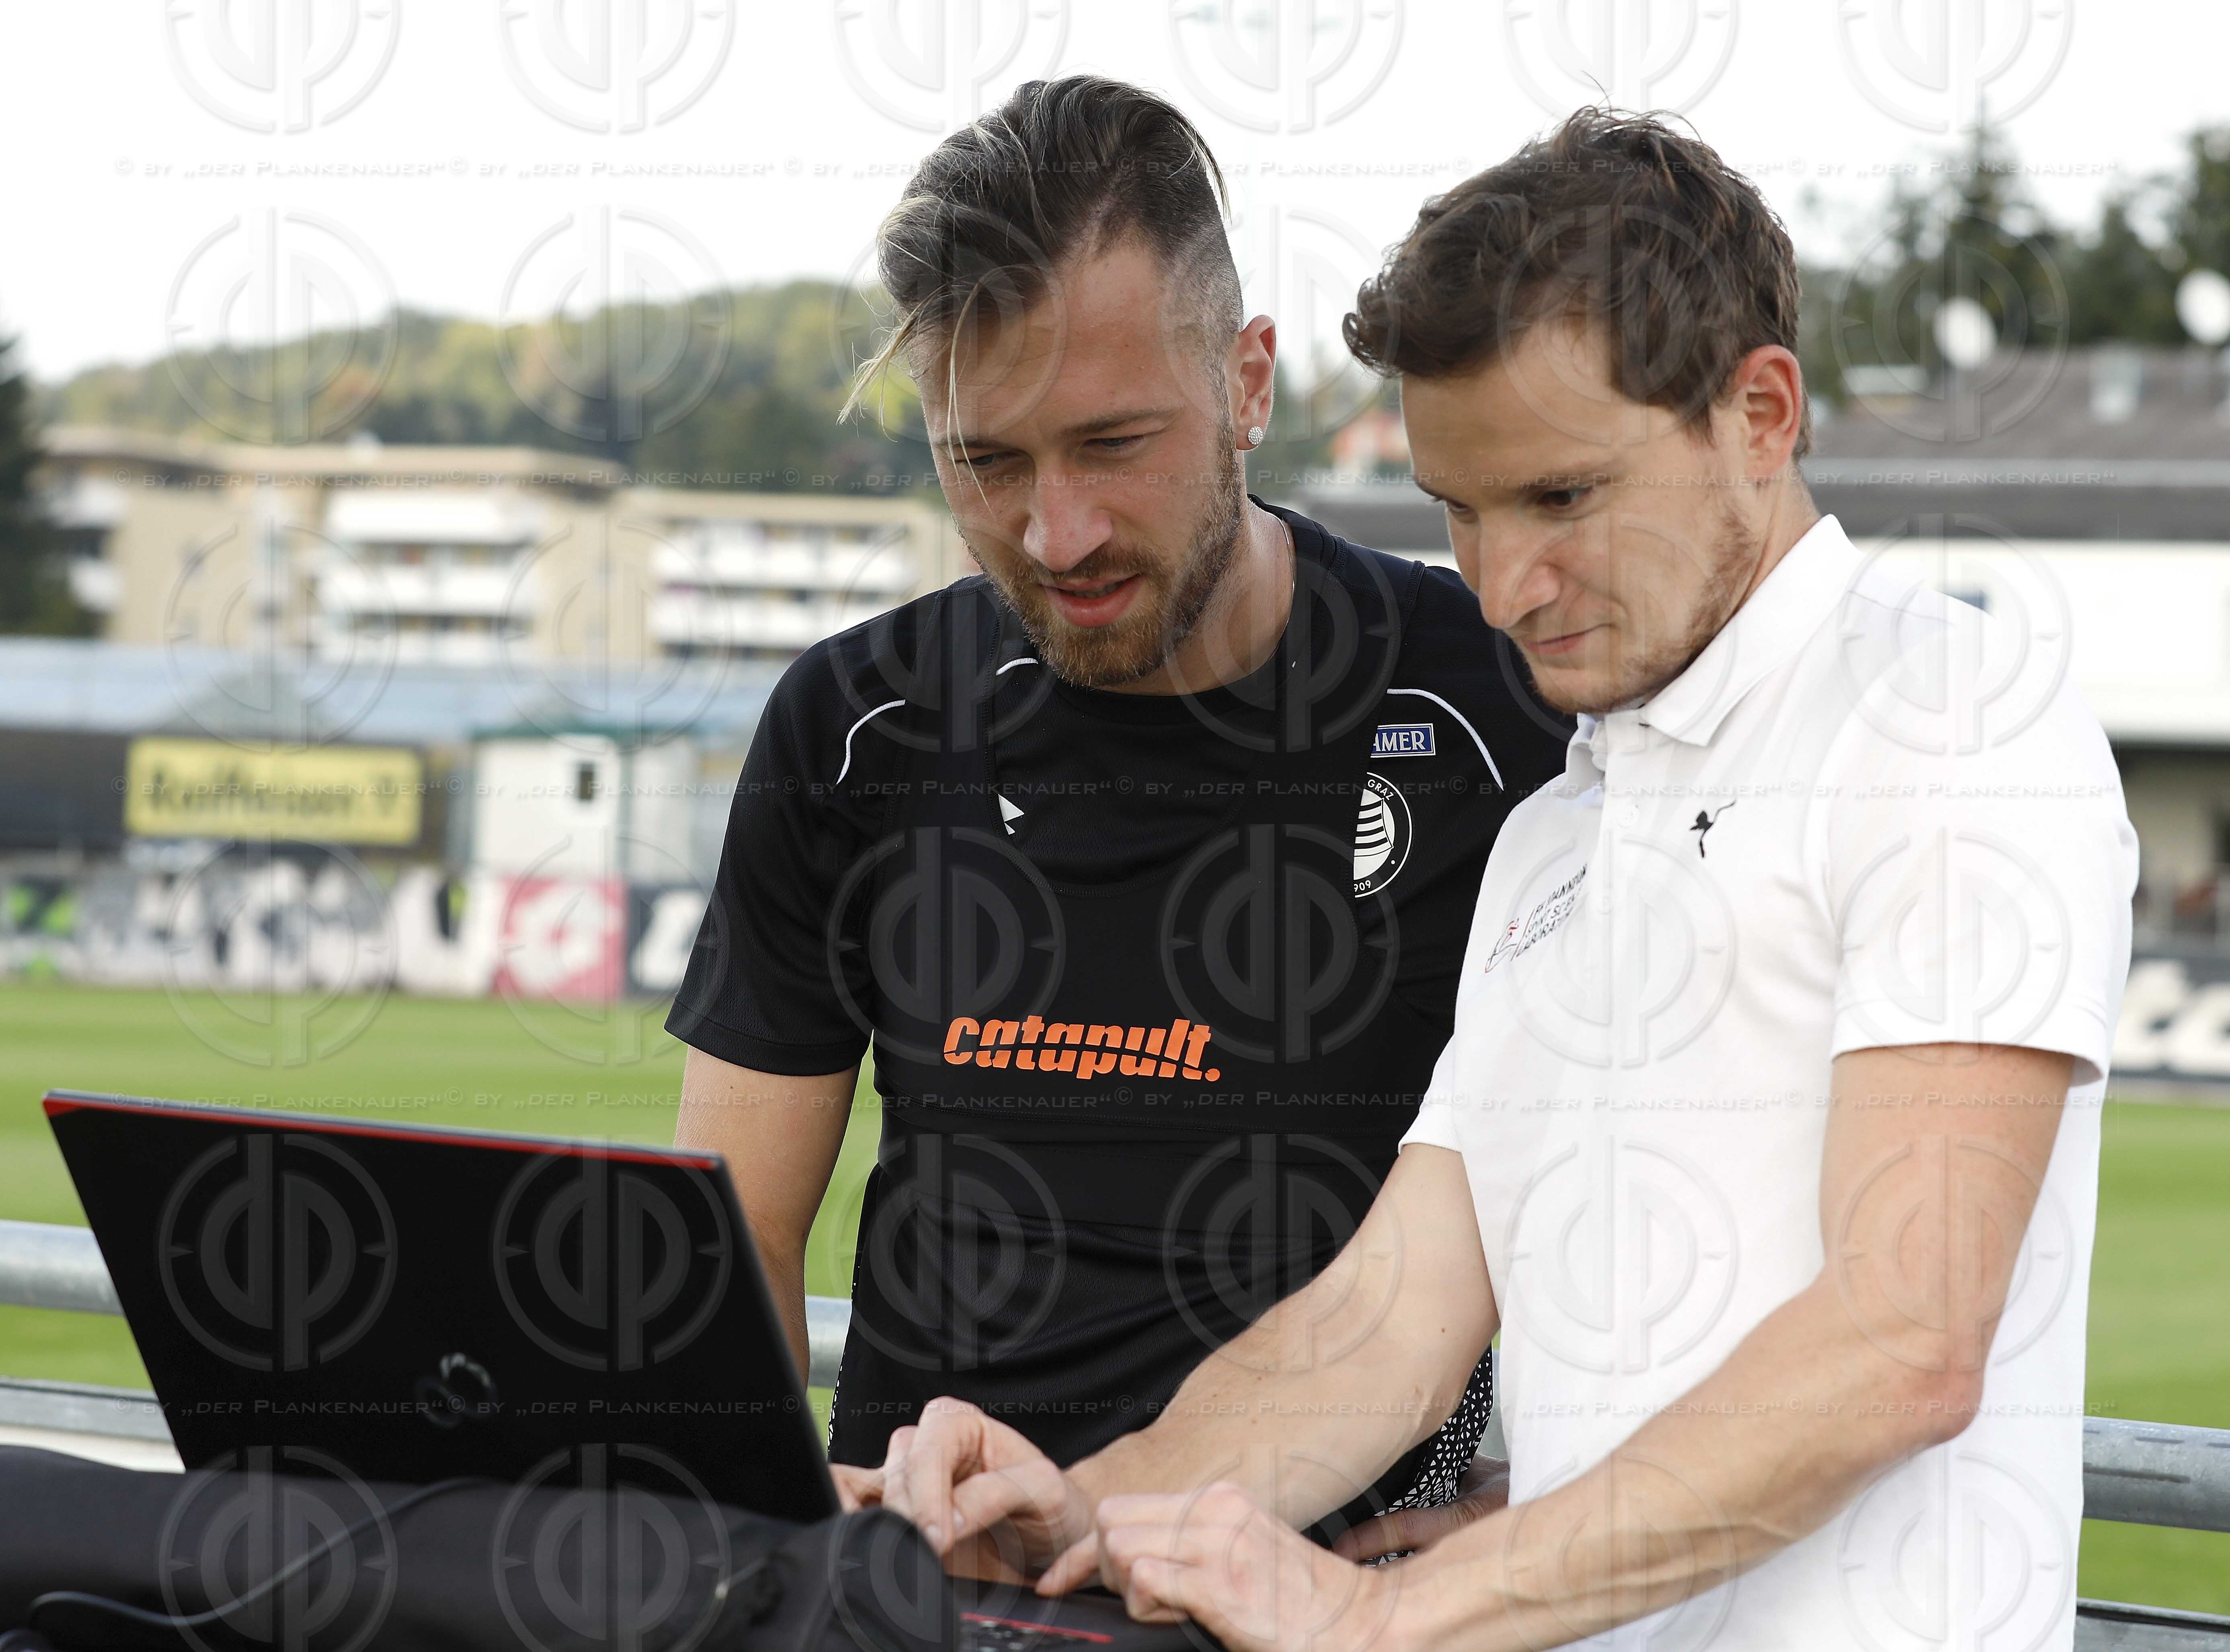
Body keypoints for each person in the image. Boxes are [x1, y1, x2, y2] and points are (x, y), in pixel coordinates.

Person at [862, 108, 2138, 1652]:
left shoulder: (1947, 719)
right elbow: (1386, 1318)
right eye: (1463, 511)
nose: (1501, 583)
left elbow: (1901, 1340)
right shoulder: (1560, 821)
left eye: (1563, 498)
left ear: (1761, 413)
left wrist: (1383, 1617)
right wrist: (1092, 1512)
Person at [664, 75, 1570, 1549]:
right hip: (933, 1598)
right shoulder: (854, 728)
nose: (1056, 532)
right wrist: (775, 1540)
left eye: (1111, 444)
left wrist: (1560, 1516)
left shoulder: (1503, 706)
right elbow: (734, 1232)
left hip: (1320, 1610)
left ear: (1249, 385)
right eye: (989, 460)